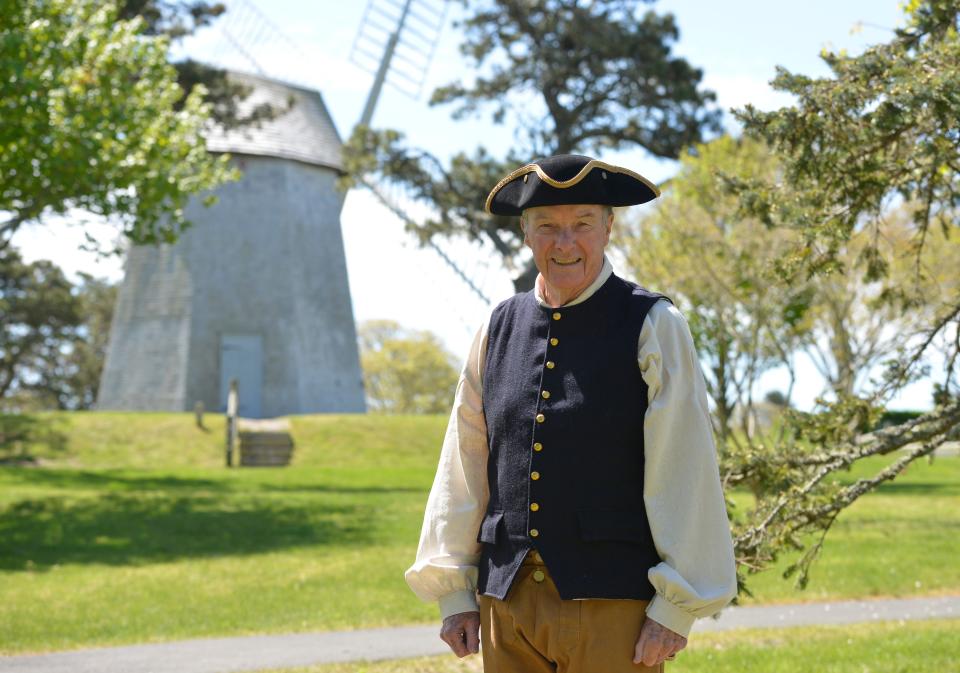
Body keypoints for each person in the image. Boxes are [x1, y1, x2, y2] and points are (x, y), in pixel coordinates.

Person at [405, 154, 737, 672]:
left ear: (608, 228)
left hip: (615, 606)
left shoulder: (653, 324)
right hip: (505, 603)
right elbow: (463, 463)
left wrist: (676, 608)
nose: (565, 243)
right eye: (547, 227)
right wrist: (453, 594)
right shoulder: (496, 328)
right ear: (526, 234)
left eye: (582, 223)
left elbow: (685, 465)